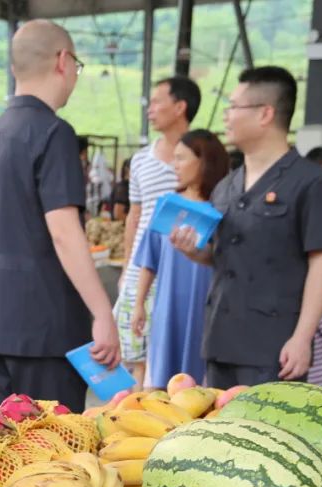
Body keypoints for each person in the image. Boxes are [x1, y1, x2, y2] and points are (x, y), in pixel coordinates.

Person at [0, 20, 120, 411]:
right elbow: (63, 232)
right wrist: (103, 312)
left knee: (5, 454)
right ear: (63, 60)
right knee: (52, 459)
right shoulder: (54, 134)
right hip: (45, 330)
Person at [173, 66, 322, 387]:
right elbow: (222, 254)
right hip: (220, 340)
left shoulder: (311, 183)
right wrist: (195, 252)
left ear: (265, 114)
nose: (226, 116)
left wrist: (302, 338)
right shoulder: (227, 186)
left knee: (269, 435)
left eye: (233, 106)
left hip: (274, 347)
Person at [117, 76, 201, 387]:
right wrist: (128, 267)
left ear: (180, 107)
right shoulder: (141, 160)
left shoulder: (203, 156)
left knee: (179, 363)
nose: (149, 109)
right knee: (136, 359)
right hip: (142, 269)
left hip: (185, 272)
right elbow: (134, 216)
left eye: (156, 102)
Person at [131, 130, 229, 388]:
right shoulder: (168, 206)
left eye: (181, 159)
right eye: (173, 158)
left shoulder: (223, 209)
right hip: (168, 306)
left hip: (207, 309)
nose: (174, 165)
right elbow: (149, 260)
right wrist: (139, 303)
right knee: (163, 386)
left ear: (204, 161)